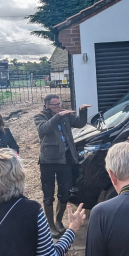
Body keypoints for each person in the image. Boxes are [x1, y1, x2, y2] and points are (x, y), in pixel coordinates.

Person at [34, 94, 90, 239]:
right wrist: (58, 116)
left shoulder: (64, 115)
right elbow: (44, 129)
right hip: (48, 161)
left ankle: (58, 221)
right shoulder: (40, 116)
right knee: (48, 193)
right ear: (47, 105)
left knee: (65, 191)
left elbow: (79, 123)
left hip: (65, 159)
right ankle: (50, 224)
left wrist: (82, 111)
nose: (59, 106)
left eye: (60, 103)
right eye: (55, 104)